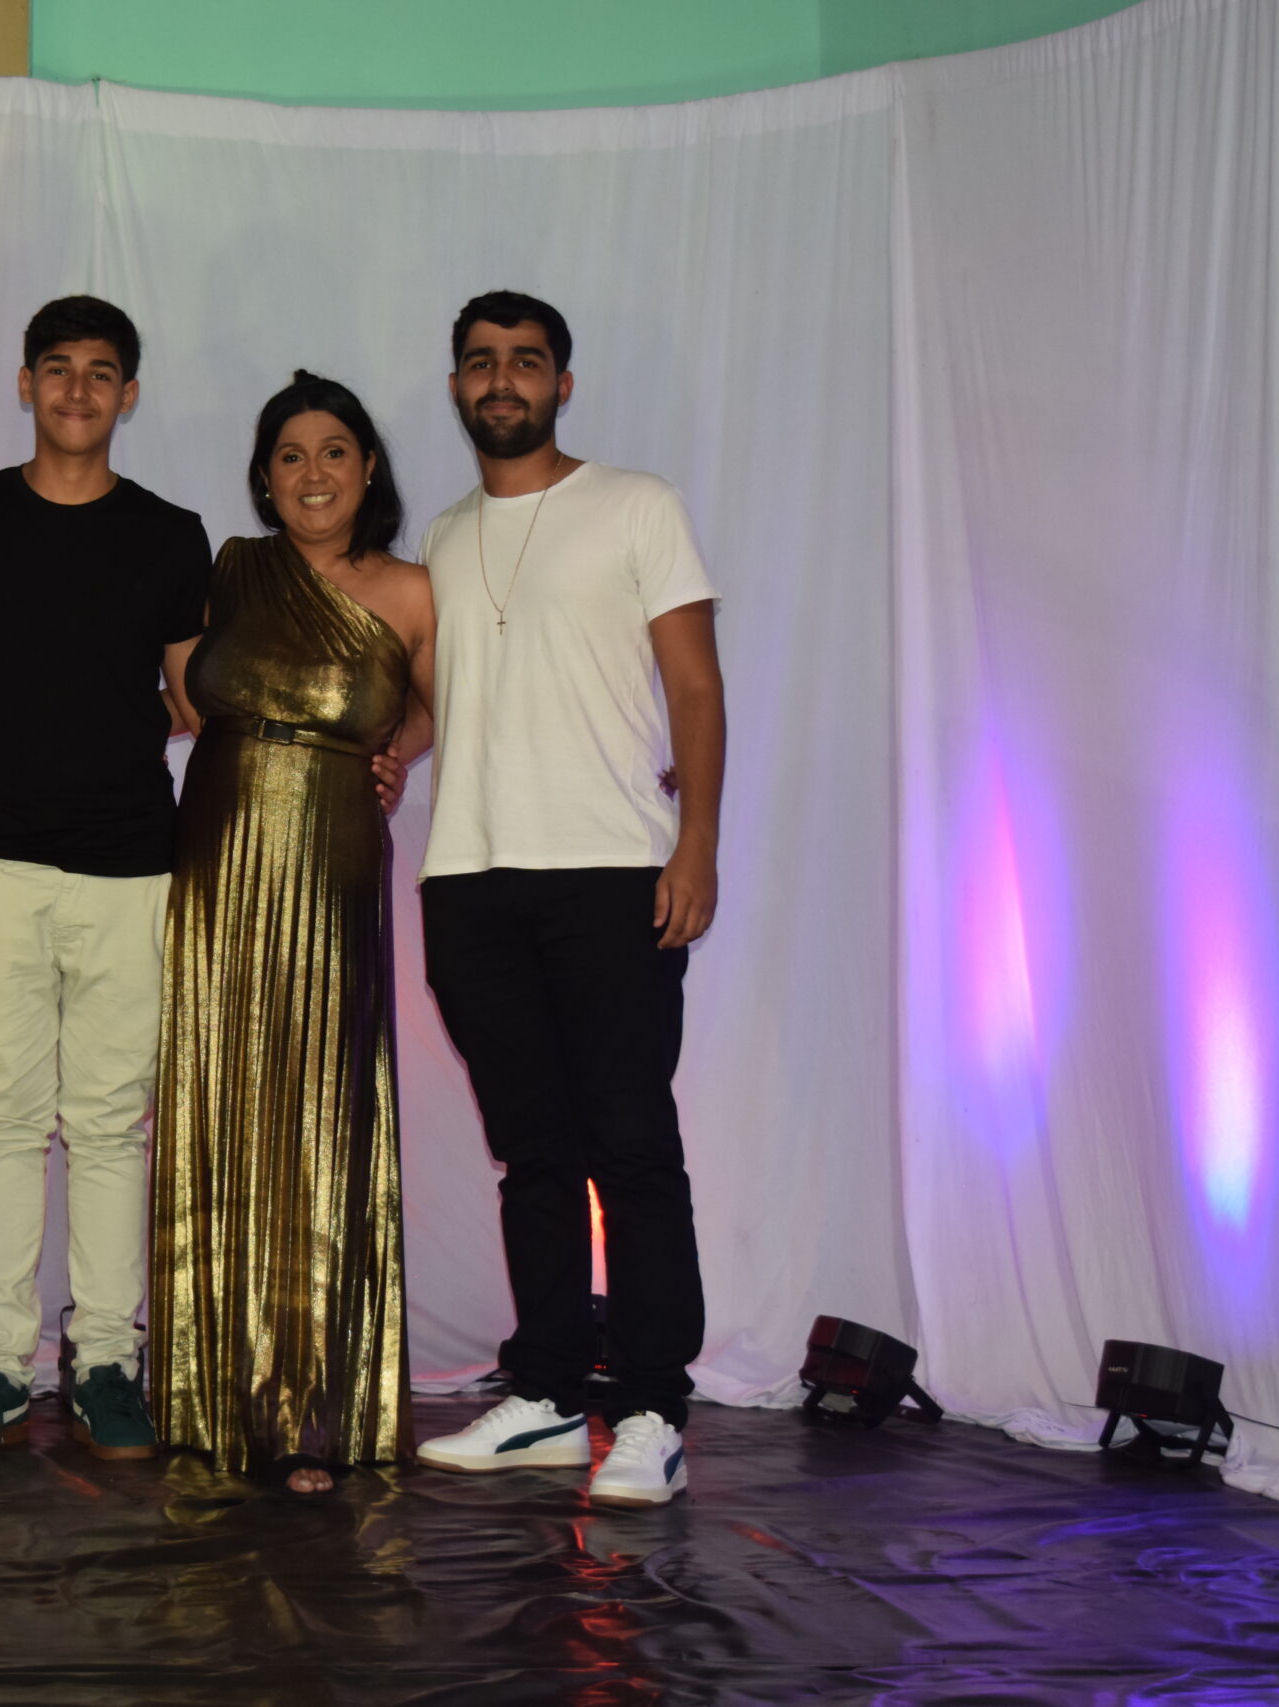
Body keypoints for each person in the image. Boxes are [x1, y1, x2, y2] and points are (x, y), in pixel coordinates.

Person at [410, 292, 725, 1507]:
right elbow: (457, 690)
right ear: (457, 385)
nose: (503, 380)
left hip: (610, 871)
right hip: (468, 879)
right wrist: (391, 748)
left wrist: (695, 845)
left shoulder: (636, 505)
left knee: (631, 1146)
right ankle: (544, 1394)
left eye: (526, 362)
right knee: (531, 1155)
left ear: (561, 384)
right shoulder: (442, 536)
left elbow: (692, 687)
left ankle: (649, 1409)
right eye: (481, 363)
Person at [0, 298, 212, 1462]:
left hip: (132, 859)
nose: (77, 390)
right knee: (1, 1119)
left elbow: (191, 696)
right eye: (57, 368)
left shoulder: (170, 534)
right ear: (25, 383)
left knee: (108, 1125)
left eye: (99, 373)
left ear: (127, 394)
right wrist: (0, 754)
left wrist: (102, 728)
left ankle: (103, 1365)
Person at [151, 371, 435, 1494]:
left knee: (320, 1110)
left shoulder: (412, 589)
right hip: (217, 849)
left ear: (368, 467)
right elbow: (184, 697)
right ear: (264, 479)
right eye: (289, 455)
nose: (313, 473)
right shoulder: (227, 568)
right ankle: (205, 1396)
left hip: (332, 851)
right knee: (220, 1096)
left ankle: (310, 1408)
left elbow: (435, 703)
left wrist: (398, 751)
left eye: (334, 451)